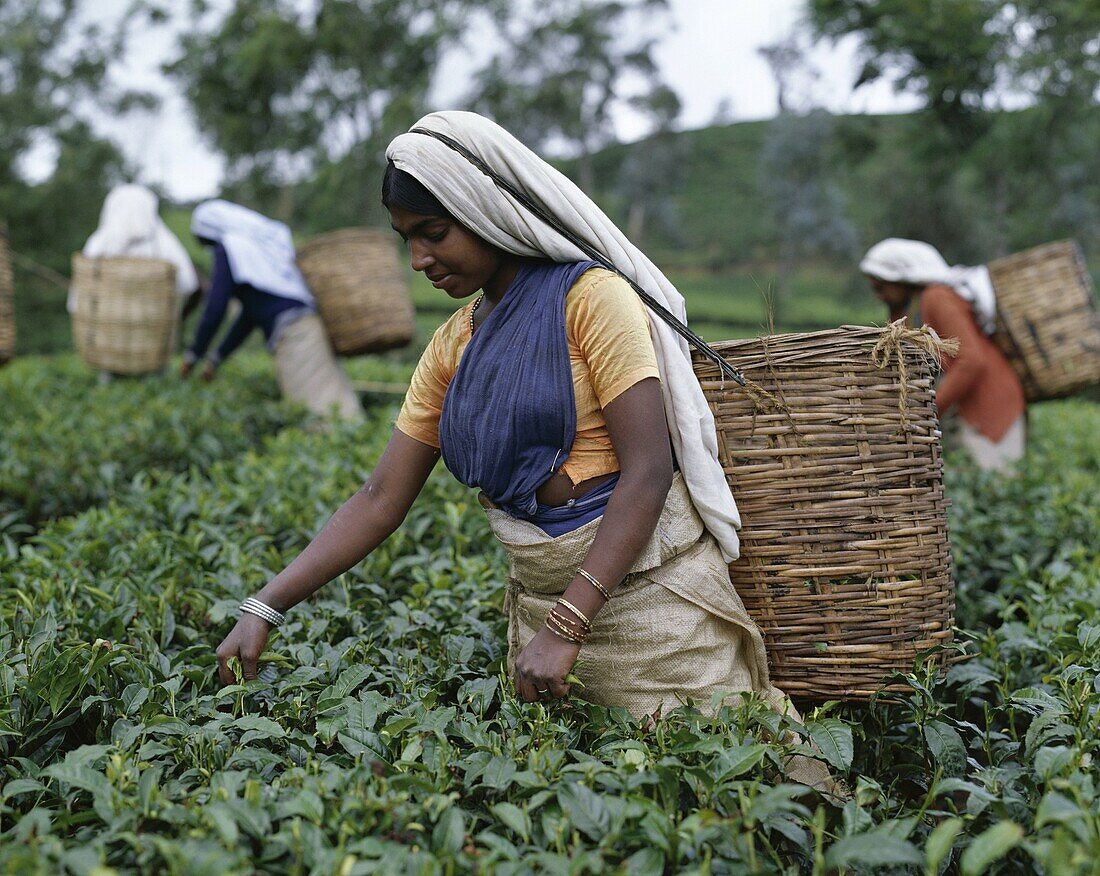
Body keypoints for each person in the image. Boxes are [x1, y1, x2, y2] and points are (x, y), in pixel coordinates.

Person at [213, 112, 832, 791]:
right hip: (543, 622)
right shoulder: (453, 345)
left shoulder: (592, 300)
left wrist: (569, 626)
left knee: (734, 787)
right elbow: (380, 498)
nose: (418, 260)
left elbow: (649, 471)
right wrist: (266, 604)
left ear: (485, 210)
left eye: (433, 233)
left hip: (650, 611)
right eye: (407, 240)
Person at [181, 199, 363, 423]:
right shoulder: (251, 254)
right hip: (302, 328)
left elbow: (215, 308)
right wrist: (216, 358)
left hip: (297, 335)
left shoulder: (229, 247)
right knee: (328, 398)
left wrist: (193, 355)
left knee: (318, 412)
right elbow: (249, 316)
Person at [861, 238, 1026, 472]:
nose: (878, 295)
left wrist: (931, 408)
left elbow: (972, 361)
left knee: (997, 484)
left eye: (880, 287)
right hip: (966, 407)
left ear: (901, 279)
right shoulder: (912, 307)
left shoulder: (937, 297)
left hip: (989, 404)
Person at [74, 183, 202, 319]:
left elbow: (80, 292)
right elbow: (187, 283)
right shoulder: (164, 243)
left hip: (107, 323)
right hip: (153, 322)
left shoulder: (99, 242)